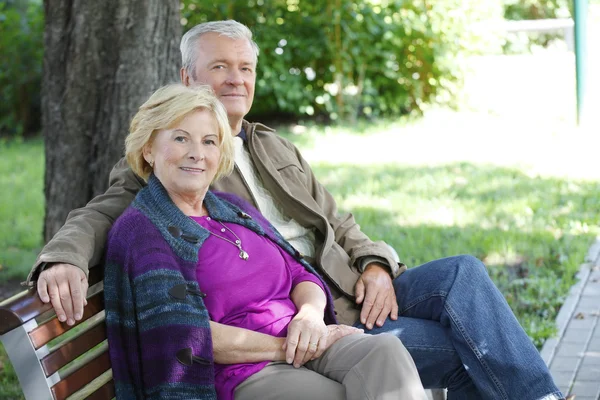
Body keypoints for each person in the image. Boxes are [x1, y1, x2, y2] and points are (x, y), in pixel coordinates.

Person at [29, 20, 564, 400]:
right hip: (307, 321)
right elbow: (100, 215)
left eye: (245, 67)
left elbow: (339, 221)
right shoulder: (181, 160)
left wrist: (375, 265)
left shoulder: (274, 147)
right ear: (188, 77)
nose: (237, 78)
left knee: (463, 275)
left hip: (341, 292)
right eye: (220, 67)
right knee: (468, 348)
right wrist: (64, 258)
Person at [105, 82, 427, 399]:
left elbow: (300, 272)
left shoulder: (232, 209)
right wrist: (288, 346)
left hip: (303, 338)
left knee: (385, 351)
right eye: (180, 139)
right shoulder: (144, 232)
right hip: (243, 371)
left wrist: (311, 316)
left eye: (209, 141)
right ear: (148, 149)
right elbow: (184, 332)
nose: (197, 154)